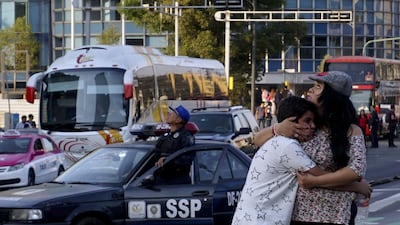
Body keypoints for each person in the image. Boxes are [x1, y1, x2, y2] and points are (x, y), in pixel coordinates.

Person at [254, 71, 368, 225]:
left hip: (337, 215)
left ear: (331, 96)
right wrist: (278, 128)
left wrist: (315, 181)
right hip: (300, 214)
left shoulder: (351, 131)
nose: (311, 90)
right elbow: (258, 140)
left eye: (318, 87)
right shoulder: (305, 126)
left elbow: (356, 169)